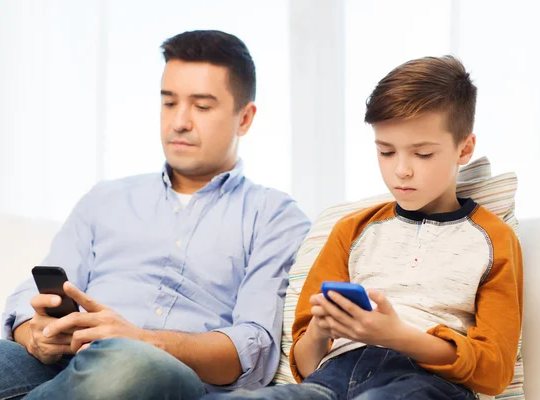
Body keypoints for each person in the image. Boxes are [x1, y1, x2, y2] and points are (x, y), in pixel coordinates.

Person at [0, 30, 310, 400]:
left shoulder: (275, 216)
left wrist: (143, 340)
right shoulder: (106, 198)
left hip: (164, 373)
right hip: (65, 362)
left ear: (245, 118)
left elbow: (252, 347)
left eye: (202, 106)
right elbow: (35, 293)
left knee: (130, 366)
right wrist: (34, 331)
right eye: (168, 102)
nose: (179, 121)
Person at [203, 56, 523, 400]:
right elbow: (306, 364)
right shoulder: (352, 230)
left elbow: (494, 370)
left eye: (423, 154)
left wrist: (397, 335)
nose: (401, 170)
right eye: (386, 151)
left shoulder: (494, 239)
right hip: (331, 378)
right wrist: (320, 331)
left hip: (426, 383)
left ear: (465, 148)